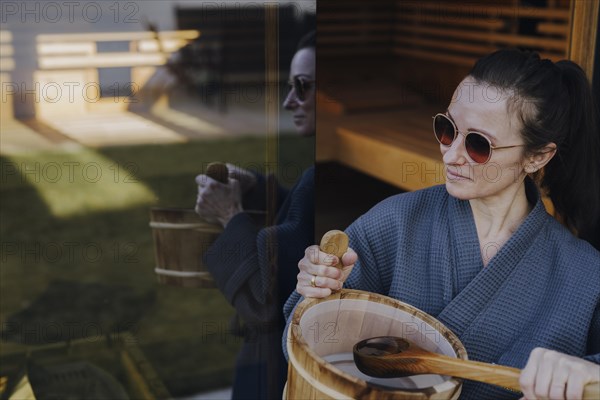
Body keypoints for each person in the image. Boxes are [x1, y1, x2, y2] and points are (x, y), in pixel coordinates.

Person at [284, 49, 600, 400]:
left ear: (537, 156)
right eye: (447, 129)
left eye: (479, 144)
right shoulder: (397, 221)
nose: (450, 155)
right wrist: (316, 294)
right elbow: (303, 344)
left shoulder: (584, 275)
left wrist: (588, 375)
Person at [195, 31, 315, 399]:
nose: (287, 100)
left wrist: (230, 215)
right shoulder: (328, 171)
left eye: (302, 86)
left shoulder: (321, 175)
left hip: (280, 372)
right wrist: (258, 188)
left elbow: (266, 303)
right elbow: (305, 222)